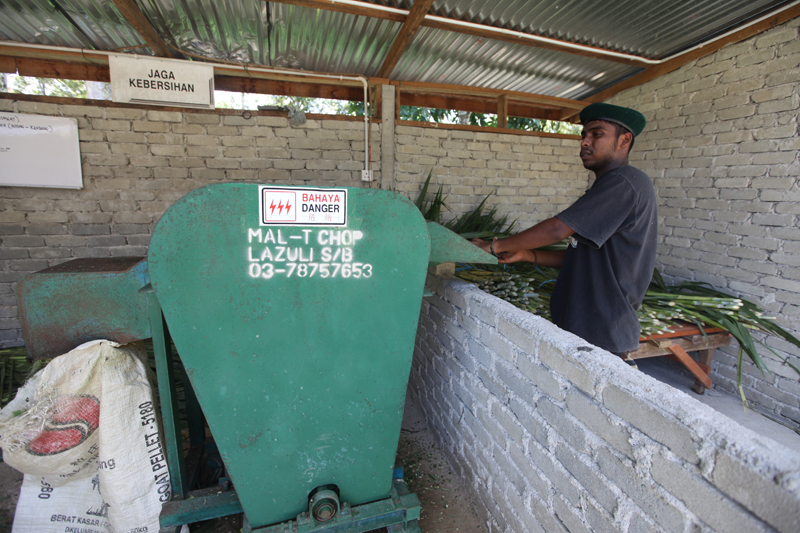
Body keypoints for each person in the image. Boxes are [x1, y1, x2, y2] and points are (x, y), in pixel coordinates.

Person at [471, 102, 657, 362]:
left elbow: (557, 228)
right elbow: (583, 256)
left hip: (600, 330)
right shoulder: (611, 186)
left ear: (624, 140)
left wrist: (495, 246)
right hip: (587, 326)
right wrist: (527, 255)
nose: (585, 142)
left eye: (597, 134)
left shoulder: (624, 182)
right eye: (584, 135)